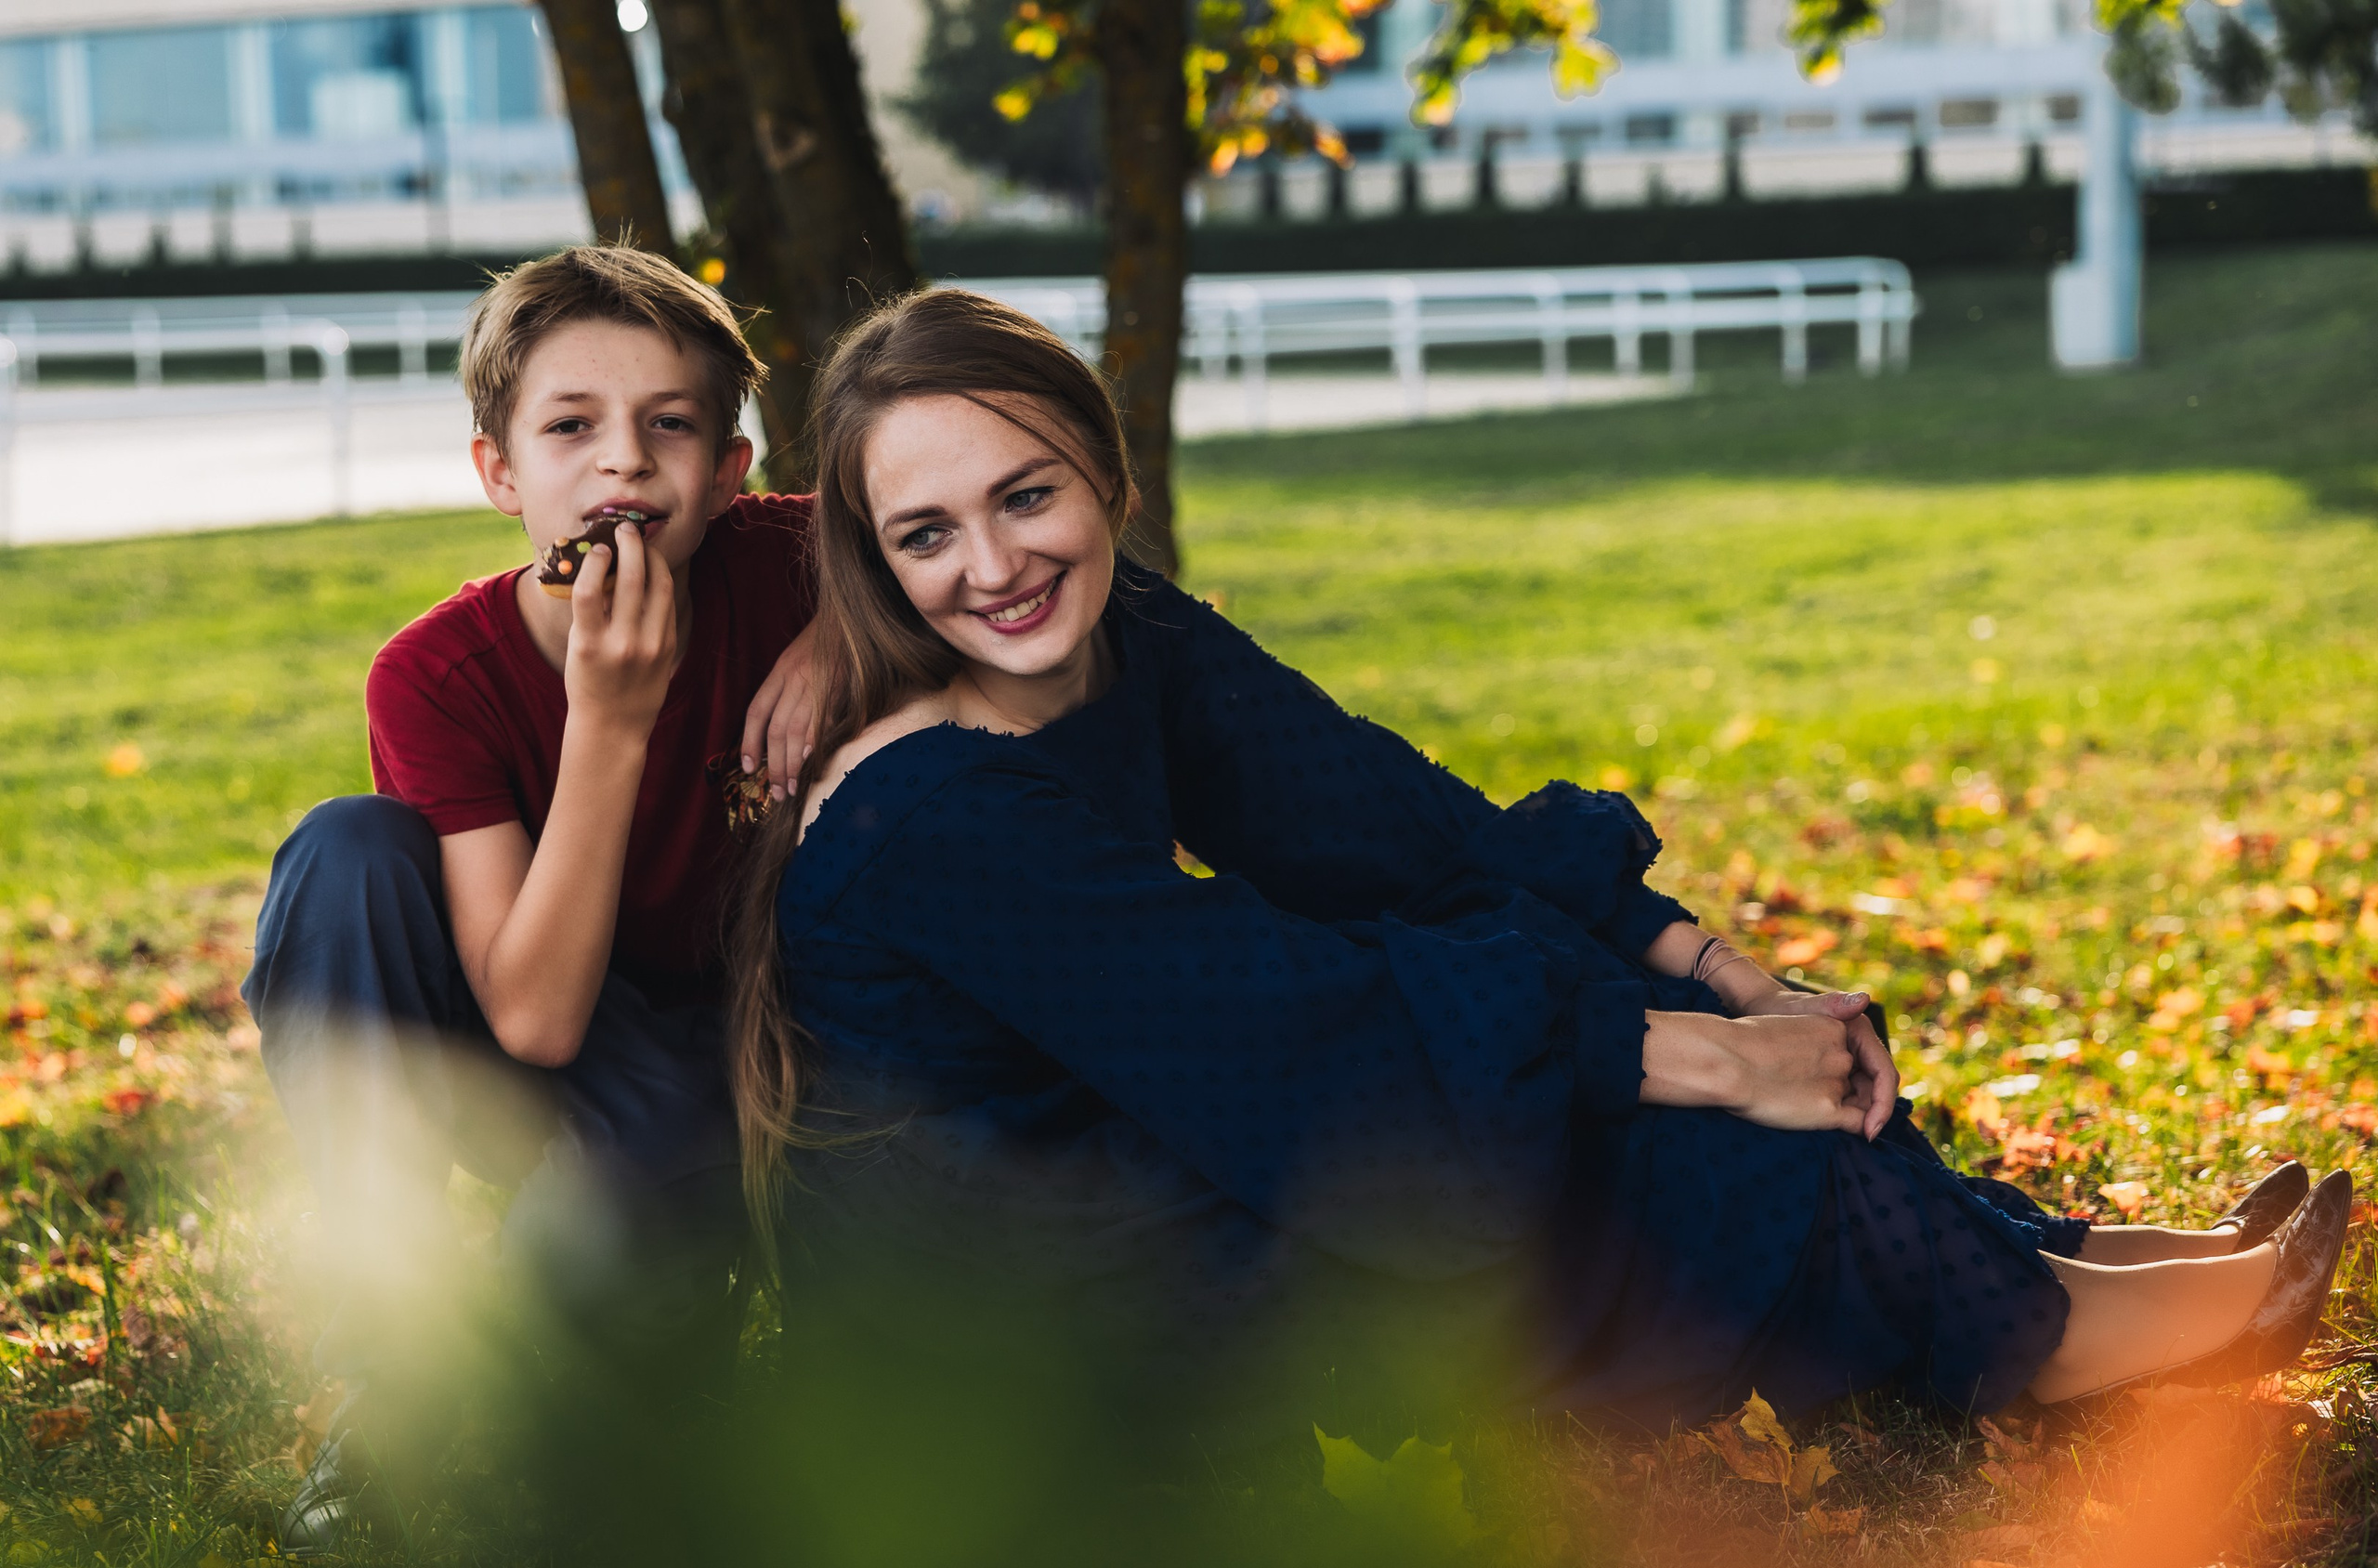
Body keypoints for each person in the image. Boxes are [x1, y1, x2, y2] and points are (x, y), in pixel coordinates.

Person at [727, 288, 2353, 1453]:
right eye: (925, 535)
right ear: (872, 561)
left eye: (1025, 496)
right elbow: (1294, 1030)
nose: (995, 566)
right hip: (1042, 1299)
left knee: (1551, 976)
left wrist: (1730, 977)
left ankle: (2039, 1256)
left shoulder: (1127, 637)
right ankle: (2047, 1330)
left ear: (1107, 471)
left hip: (1181, 1132)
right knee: (1623, 1120)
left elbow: (1401, 831)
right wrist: (1713, 1060)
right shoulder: (926, 810)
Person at [240, 245, 824, 1553]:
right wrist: (608, 722)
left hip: (721, 1038)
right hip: (531, 1008)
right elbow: (537, 1023)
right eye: (571, 427)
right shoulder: (434, 676)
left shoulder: (787, 558)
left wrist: (841, 634)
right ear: (498, 473)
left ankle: (591, 1319)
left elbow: (913, 538)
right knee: (348, 851)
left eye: (669, 426)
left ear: (731, 476)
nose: (623, 463)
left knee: (625, 1354)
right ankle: (398, 1356)